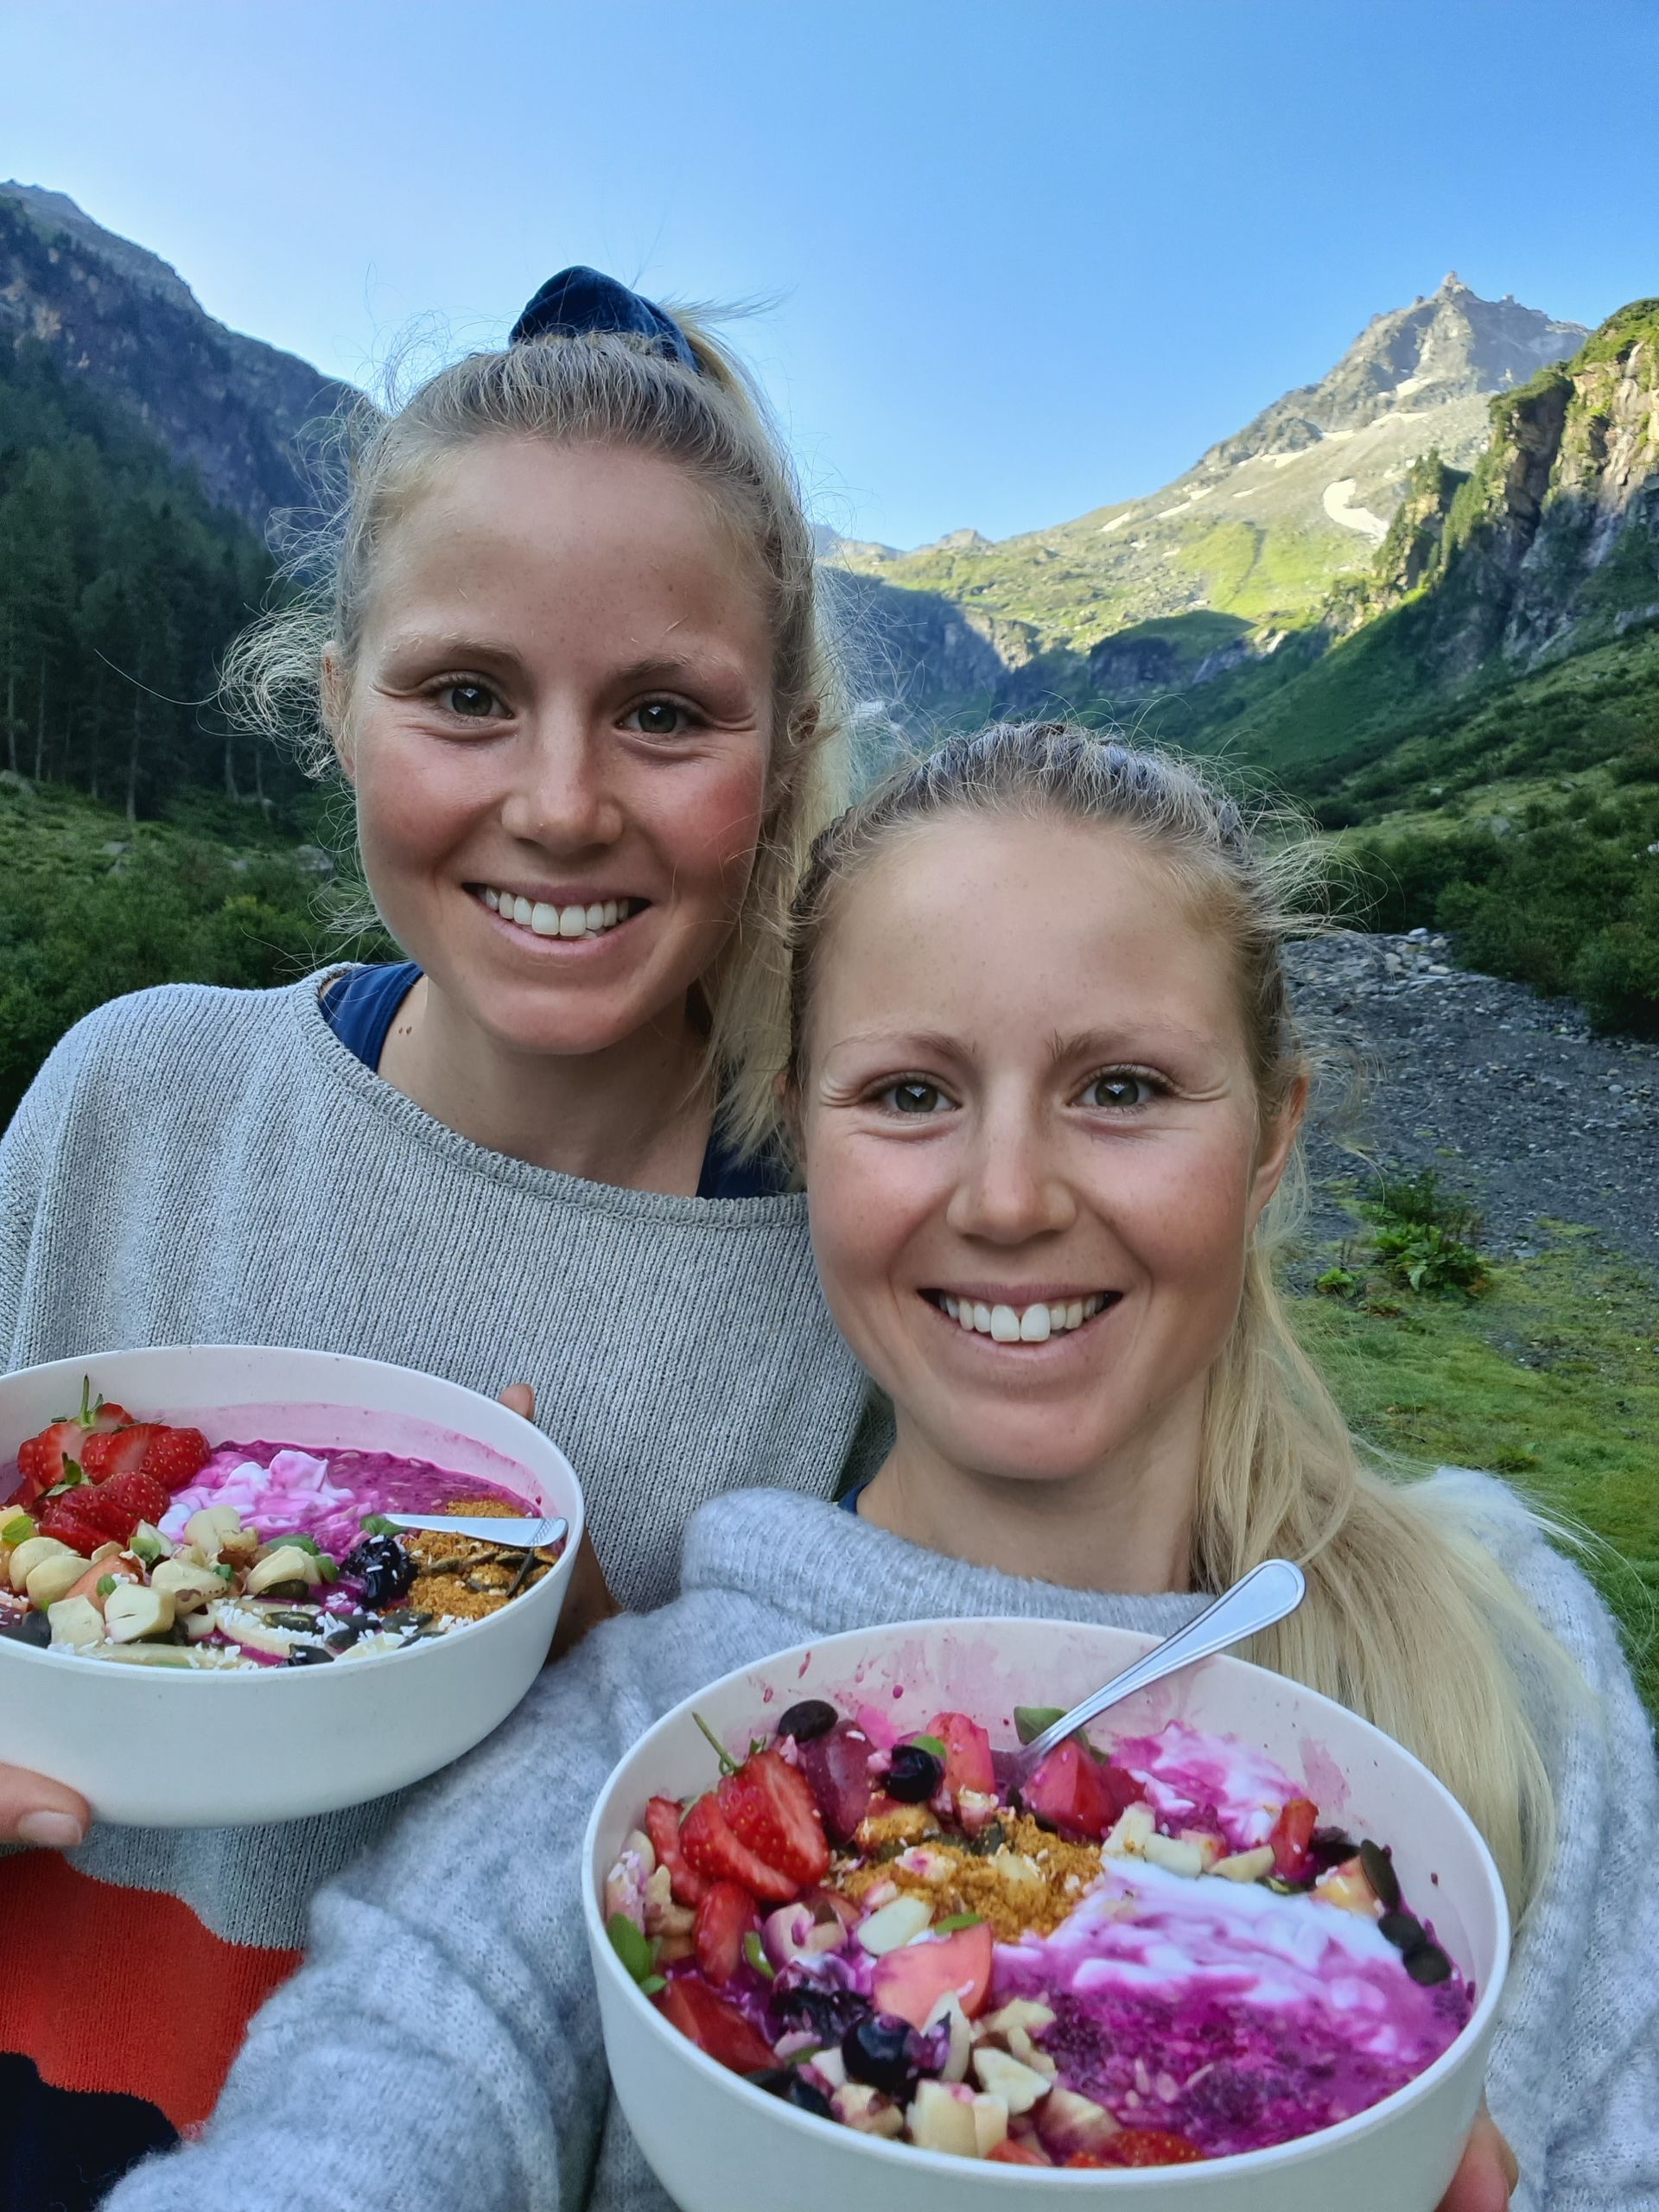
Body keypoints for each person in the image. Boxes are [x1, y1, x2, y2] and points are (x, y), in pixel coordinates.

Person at [98, 725, 1656, 2212]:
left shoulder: (1510, 1658)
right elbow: (401, 2064)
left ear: (1267, 1136)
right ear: (805, 1137)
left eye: (1120, 1088)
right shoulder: (668, 1736)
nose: (1009, 1197)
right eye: (911, 1095)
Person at [0, 270, 880, 2209]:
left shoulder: (854, 1284)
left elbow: (854, 1891)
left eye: (663, 713)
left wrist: (612, 1696)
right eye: (467, 694)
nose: (559, 806)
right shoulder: (131, 1103)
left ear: (784, 748)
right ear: (337, 705)